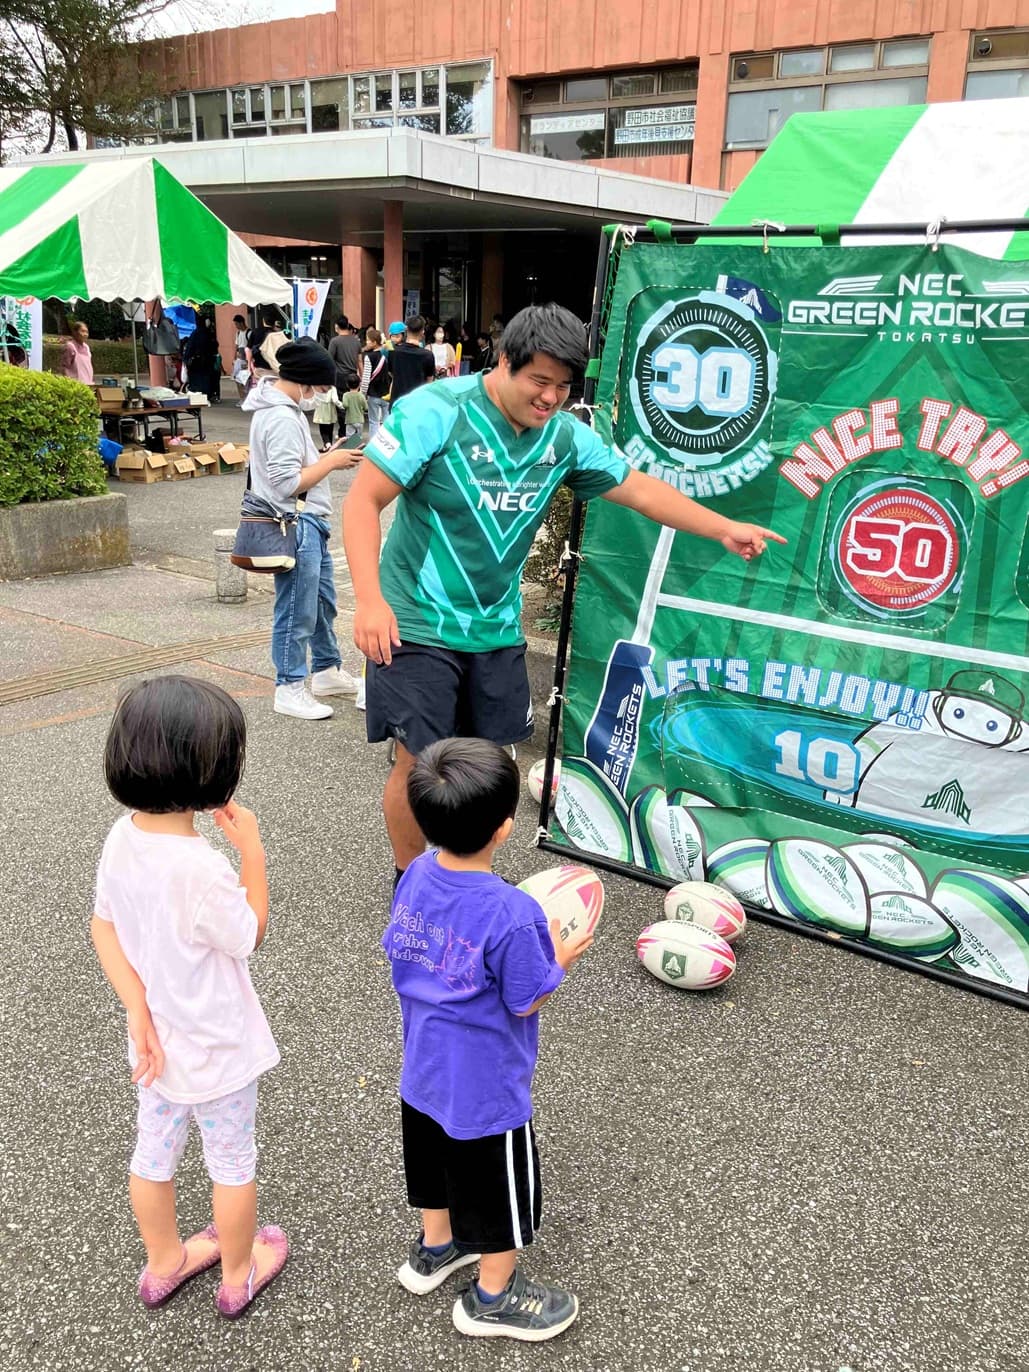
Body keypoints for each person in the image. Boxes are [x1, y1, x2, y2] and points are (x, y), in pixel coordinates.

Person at [343, 302, 785, 886]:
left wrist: (723, 528)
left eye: (563, 385)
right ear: (503, 362)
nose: (551, 397)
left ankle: (469, 878)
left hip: (495, 626)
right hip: (415, 621)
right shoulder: (434, 411)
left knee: (491, 764)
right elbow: (362, 501)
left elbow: (640, 490)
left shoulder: (566, 438)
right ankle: (412, 881)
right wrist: (370, 600)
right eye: (539, 381)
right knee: (420, 763)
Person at [90, 675, 288, 1319]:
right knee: (231, 1161)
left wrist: (136, 1009)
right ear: (210, 774)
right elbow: (249, 935)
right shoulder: (201, 868)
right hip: (217, 1048)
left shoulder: (122, 838)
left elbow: (104, 928)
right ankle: (238, 1274)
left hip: (155, 1046)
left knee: (153, 1153)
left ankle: (163, 1261)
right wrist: (252, 852)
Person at [383, 737, 592, 1341]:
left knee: (432, 1165)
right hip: (487, 1091)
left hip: (421, 1070)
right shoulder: (512, 912)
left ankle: (436, 1248)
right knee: (500, 1197)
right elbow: (526, 995)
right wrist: (561, 957)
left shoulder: (417, 873)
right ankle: (493, 1298)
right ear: (504, 829)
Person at [243, 336, 363, 720]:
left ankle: (326, 670)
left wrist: (326, 456)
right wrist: (333, 463)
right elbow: (284, 483)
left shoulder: (285, 410)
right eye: (322, 387)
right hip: (296, 522)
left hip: (308, 522)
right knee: (297, 608)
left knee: (321, 604)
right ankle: (290, 685)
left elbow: (293, 469)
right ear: (306, 381)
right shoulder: (280, 415)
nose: (323, 395)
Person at [385, 315, 435, 407]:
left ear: (406, 330)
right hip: (418, 405)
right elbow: (429, 383)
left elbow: (392, 374)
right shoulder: (428, 355)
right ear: (422, 331)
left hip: (397, 403)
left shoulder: (393, 352)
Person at [360, 327, 391, 439]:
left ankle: (374, 446)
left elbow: (366, 377)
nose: (366, 342)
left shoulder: (369, 357)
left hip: (373, 394)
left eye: (368, 340)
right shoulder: (387, 355)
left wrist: (362, 393)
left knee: (373, 422)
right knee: (387, 422)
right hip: (387, 393)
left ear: (374, 342)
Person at [247, 310, 289, 386]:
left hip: (260, 368)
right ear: (274, 322)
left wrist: (249, 364)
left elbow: (248, 349)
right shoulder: (278, 334)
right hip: (276, 369)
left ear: (263, 321)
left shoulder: (256, 332)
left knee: (262, 390)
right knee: (275, 390)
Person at [328, 316, 362, 392]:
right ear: (347, 325)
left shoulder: (334, 341)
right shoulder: (356, 341)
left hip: (340, 377)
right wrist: (362, 377)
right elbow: (360, 361)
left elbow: (330, 360)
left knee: (341, 401)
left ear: (336, 326)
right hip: (354, 376)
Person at [313, 381, 343, 450]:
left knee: (322, 428)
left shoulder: (318, 385)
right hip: (330, 409)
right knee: (330, 428)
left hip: (321, 407)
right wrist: (342, 406)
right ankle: (329, 445)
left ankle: (326, 443)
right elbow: (335, 400)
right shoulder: (332, 387)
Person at [341, 375, 368, 441]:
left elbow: (345, 405)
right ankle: (357, 449)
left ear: (347, 385)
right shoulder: (361, 395)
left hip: (350, 420)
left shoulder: (346, 395)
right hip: (360, 420)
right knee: (359, 437)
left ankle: (350, 449)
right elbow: (366, 407)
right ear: (359, 384)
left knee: (349, 437)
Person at [232, 314, 249, 400]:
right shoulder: (238, 333)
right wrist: (234, 358)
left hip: (245, 359)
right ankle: (242, 398)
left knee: (245, 380)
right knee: (237, 380)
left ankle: (246, 398)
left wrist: (248, 361)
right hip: (239, 359)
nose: (236, 326)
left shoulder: (249, 332)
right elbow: (236, 345)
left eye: (236, 324)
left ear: (241, 323)